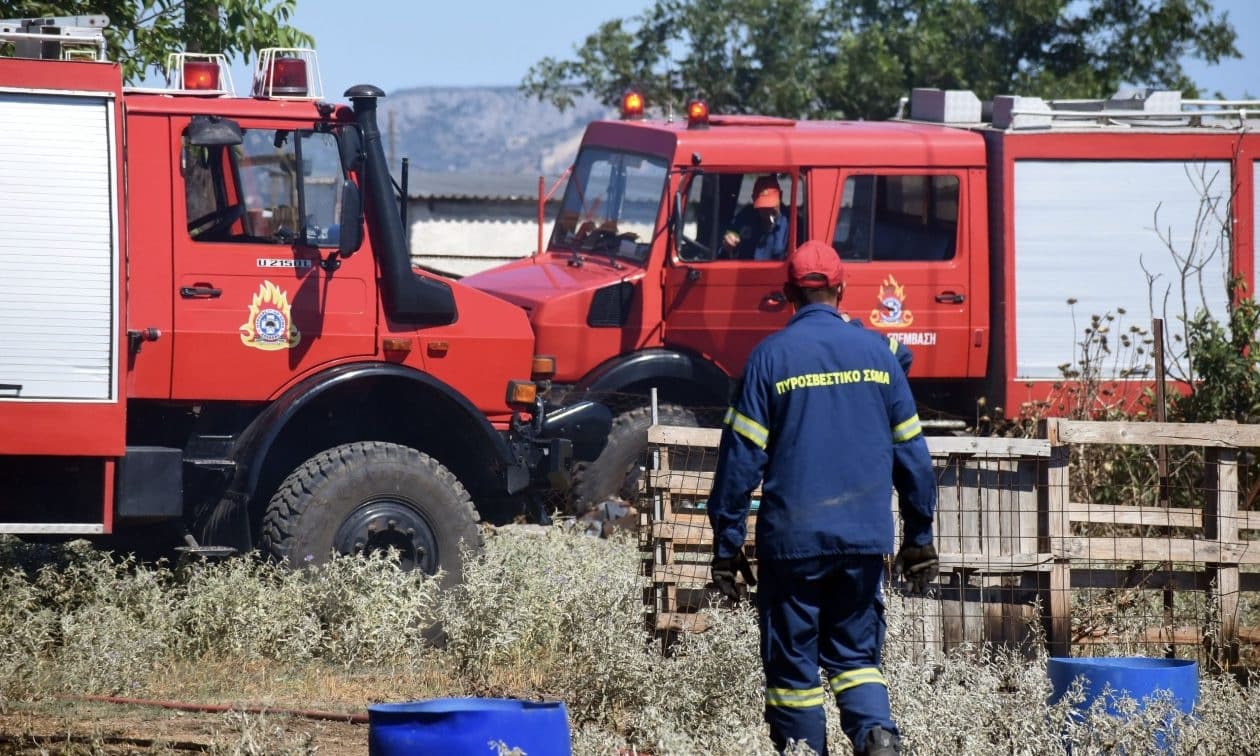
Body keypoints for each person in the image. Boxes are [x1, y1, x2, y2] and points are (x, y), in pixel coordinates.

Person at [706, 239, 939, 756]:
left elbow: (739, 464)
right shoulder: (880, 357)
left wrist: (726, 546)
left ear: (788, 293)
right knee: (856, 661)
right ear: (841, 289)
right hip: (863, 542)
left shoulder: (768, 359)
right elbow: (914, 459)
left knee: (794, 671)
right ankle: (878, 740)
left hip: (792, 546)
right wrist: (919, 537)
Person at [722, 175, 789, 260]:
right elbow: (730, 237)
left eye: (771, 206)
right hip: (746, 270)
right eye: (763, 208)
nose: (767, 212)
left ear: (780, 197)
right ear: (753, 199)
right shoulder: (745, 216)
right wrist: (729, 243)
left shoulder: (791, 223)